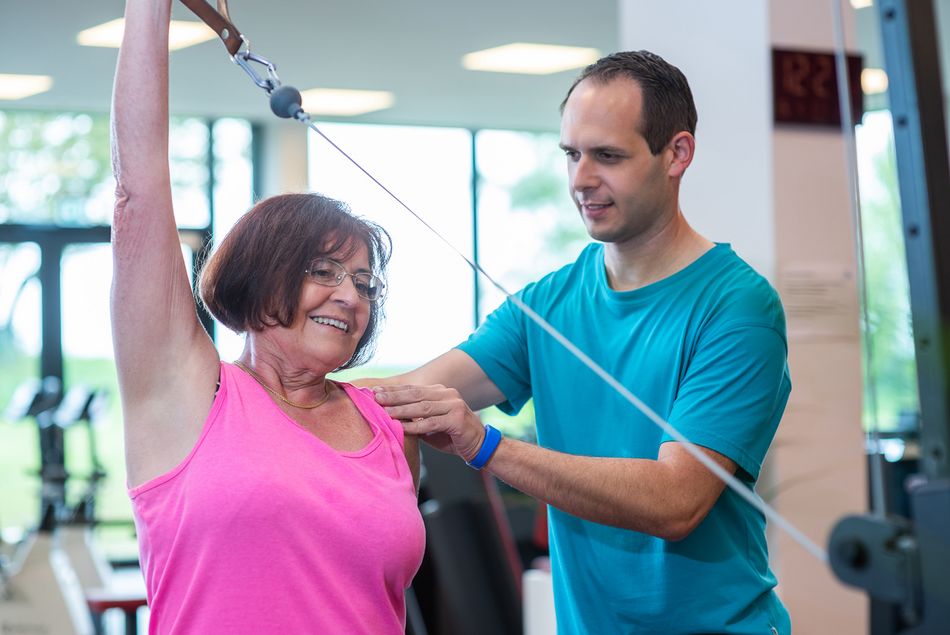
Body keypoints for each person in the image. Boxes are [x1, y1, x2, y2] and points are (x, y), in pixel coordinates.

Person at [370, 51, 792, 634]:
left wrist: (486, 446)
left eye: (608, 156)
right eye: (571, 153)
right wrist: (255, 390)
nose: (580, 180)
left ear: (677, 154)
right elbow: (408, 393)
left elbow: (675, 501)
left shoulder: (737, 307)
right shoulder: (548, 303)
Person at [110, 1, 423, 632]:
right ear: (262, 274)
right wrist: (149, 9)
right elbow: (137, 195)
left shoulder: (388, 429)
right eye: (324, 272)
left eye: (363, 281)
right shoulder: (189, 395)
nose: (351, 296)